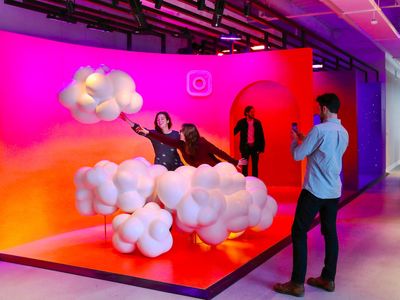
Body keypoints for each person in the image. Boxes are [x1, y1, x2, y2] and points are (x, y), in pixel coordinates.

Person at [273, 93, 349, 297]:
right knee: (330, 233)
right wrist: (305, 140)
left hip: (314, 190)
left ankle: (297, 283)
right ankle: (328, 278)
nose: (318, 111)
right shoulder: (343, 131)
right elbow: (326, 154)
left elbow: (298, 155)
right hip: (333, 191)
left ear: (324, 108)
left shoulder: (319, 129)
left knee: (298, 232)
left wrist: (293, 141)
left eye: (318, 108)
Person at [135, 123, 247, 169]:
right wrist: (149, 133)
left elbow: (219, 152)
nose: (179, 133)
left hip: (214, 171)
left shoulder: (202, 143)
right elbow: (165, 139)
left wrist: (235, 162)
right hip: (199, 174)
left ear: (188, 134)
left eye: (182, 132)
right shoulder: (181, 144)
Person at [234, 105, 265, 177]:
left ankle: (255, 183)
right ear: (247, 113)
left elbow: (261, 136)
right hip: (245, 148)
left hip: (255, 147)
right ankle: (245, 183)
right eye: (251, 112)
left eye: (254, 112)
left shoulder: (257, 123)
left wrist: (261, 149)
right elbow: (233, 132)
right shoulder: (241, 122)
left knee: (255, 166)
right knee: (244, 166)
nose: (253, 113)